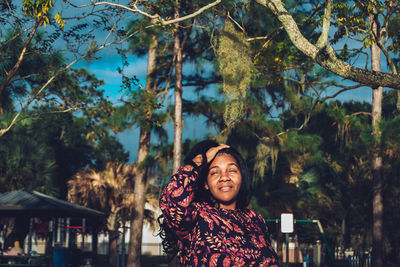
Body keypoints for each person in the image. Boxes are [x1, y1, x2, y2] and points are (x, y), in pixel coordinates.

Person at [159, 140, 279, 266]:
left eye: (232, 170)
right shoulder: (197, 216)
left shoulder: (256, 220)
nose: (224, 177)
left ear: (242, 177)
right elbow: (172, 202)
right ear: (205, 183)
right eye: (215, 172)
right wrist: (198, 162)